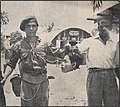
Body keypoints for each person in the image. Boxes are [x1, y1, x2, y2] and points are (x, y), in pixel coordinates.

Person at [1, 16, 49, 106]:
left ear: (37, 27)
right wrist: (5, 77)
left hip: (42, 82)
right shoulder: (19, 46)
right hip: (27, 83)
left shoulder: (44, 45)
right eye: (28, 26)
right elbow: (11, 64)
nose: (31, 29)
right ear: (24, 29)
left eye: (33, 26)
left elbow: (58, 55)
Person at [76, 18, 119, 106]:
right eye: (100, 26)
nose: (102, 28)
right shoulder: (89, 41)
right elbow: (76, 50)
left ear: (110, 28)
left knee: (112, 103)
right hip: (94, 75)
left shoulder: (115, 43)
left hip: (110, 75)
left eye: (106, 26)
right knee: (94, 103)